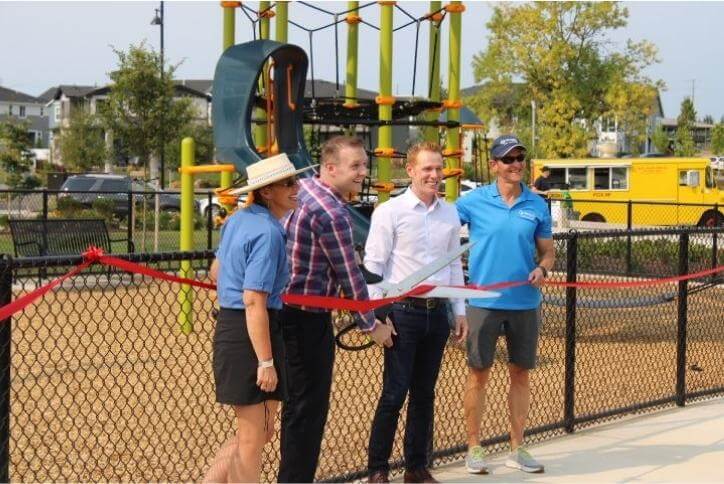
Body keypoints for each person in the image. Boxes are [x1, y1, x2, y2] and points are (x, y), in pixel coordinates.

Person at [278, 136, 395, 483]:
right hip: (305, 320)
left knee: (290, 409)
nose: (363, 172)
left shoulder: (301, 190)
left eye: (364, 163)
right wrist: (372, 325)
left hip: (279, 311)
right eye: (355, 165)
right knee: (308, 411)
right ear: (330, 168)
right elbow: (349, 275)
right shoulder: (332, 213)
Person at [203, 153, 314, 483]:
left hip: (240, 327)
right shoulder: (268, 233)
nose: (297, 188)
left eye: (296, 181)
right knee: (253, 438)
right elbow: (254, 300)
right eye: (288, 183)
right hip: (253, 330)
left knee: (257, 432)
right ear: (266, 191)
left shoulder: (240, 219)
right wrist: (265, 360)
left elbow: (215, 271)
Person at [364, 142, 469, 484]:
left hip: (436, 315)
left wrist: (460, 310)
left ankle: (416, 468)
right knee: (394, 393)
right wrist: (377, 316)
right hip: (402, 313)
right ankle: (378, 469)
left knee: (425, 393)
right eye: (427, 168)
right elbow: (373, 267)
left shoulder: (450, 213)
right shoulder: (389, 212)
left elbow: (454, 266)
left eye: (438, 168)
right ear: (410, 171)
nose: (434, 175)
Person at [456, 135, 555, 475]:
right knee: (478, 375)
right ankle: (474, 448)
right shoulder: (472, 202)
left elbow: (549, 251)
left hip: (525, 302)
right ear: (494, 165)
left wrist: (542, 268)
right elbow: (438, 230)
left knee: (520, 374)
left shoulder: (537, 205)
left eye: (519, 159)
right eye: (507, 159)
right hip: (482, 302)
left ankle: (517, 447)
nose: (515, 165)